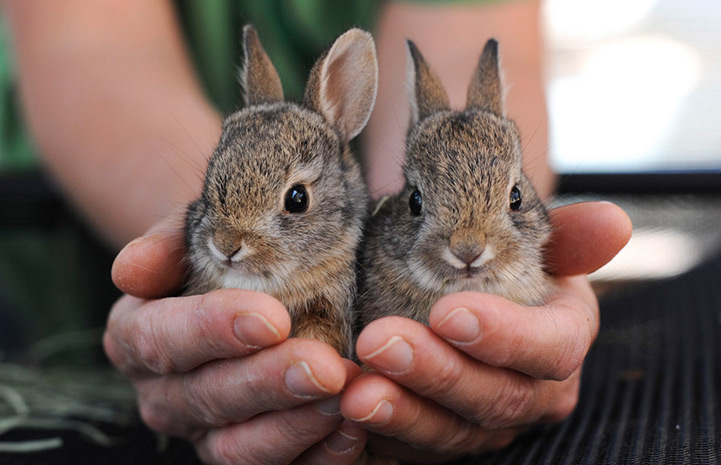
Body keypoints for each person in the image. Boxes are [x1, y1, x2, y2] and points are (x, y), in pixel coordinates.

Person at [0, 1, 631, 464]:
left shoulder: (374, 228)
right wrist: (181, 240)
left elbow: (465, 39)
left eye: (292, 201)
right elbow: (88, 49)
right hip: (64, 294)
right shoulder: (239, 223)